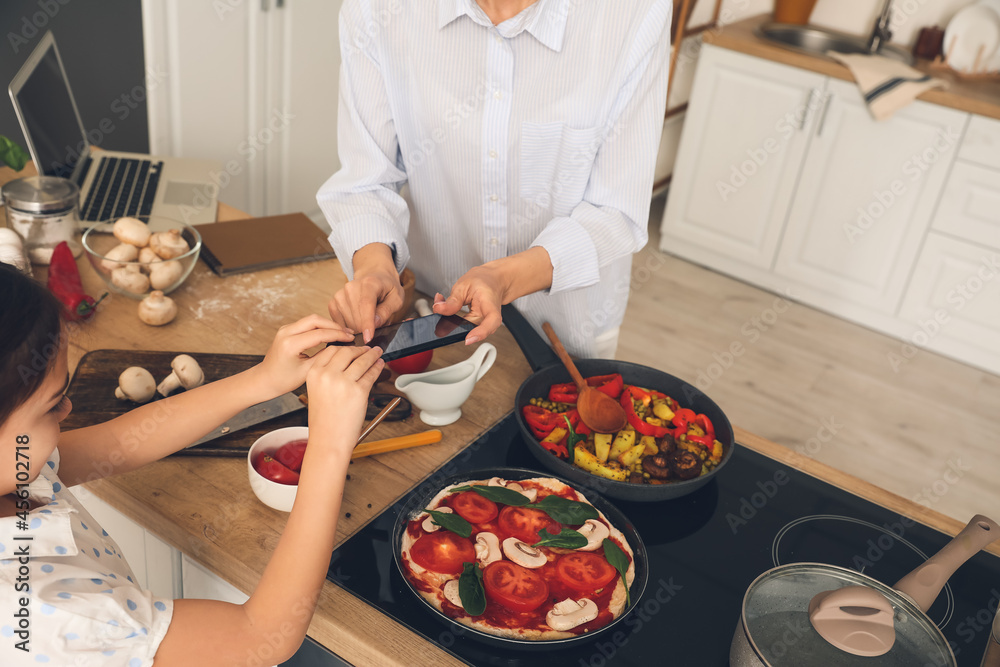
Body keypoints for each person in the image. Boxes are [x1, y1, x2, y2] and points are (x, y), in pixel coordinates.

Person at [0, 262, 383, 666]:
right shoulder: (45, 613)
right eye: (51, 405)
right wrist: (330, 443)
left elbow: (117, 444)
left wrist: (262, 380)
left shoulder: (17, 465)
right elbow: (259, 636)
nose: (68, 407)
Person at [318, 0, 672, 358]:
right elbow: (368, 178)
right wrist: (375, 268)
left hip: (564, 327)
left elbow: (615, 210)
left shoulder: (635, 12)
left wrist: (503, 278)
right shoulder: (376, 8)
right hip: (434, 314)